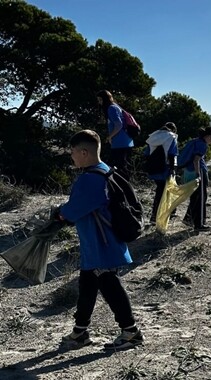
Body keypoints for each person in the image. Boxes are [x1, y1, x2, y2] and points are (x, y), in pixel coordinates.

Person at [58, 130, 143, 350]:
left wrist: (58, 213)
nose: (72, 157)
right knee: (87, 284)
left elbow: (71, 212)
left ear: (84, 152)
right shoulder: (106, 171)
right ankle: (80, 333)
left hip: (100, 244)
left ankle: (130, 332)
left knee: (109, 285)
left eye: (73, 152)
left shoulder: (89, 180)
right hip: (104, 241)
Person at [182, 126, 211, 232]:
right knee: (201, 198)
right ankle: (199, 224)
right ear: (208, 136)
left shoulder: (195, 141)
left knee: (195, 197)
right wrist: (198, 174)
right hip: (198, 172)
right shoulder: (202, 144)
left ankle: (189, 219)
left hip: (188, 171)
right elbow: (196, 160)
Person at [144, 122, 179, 224]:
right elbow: (172, 154)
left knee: (160, 190)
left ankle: (155, 215)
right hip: (166, 168)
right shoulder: (171, 137)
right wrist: (173, 169)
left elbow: (146, 154)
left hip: (153, 168)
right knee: (165, 191)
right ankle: (160, 215)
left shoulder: (153, 137)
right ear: (173, 129)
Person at [97, 90, 134, 180]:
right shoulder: (116, 107)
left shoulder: (111, 108)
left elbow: (119, 125)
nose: (99, 102)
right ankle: (124, 186)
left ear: (104, 99)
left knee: (119, 167)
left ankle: (124, 187)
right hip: (125, 141)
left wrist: (110, 136)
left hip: (120, 142)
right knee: (122, 166)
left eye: (100, 100)